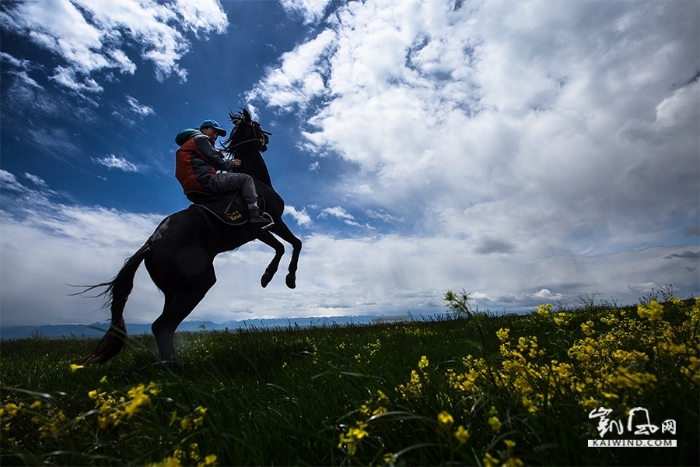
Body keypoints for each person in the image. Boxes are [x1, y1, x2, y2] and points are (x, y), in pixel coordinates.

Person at [175, 119, 272, 227]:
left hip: (190, 189)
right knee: (246, 179)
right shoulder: (201, 138)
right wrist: (232, 163)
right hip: (203, 180)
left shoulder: (190, 143)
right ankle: (254, 214)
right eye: (213, 131)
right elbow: (217, 161)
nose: (215, 136)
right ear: (203, 129)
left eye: (217, 134)